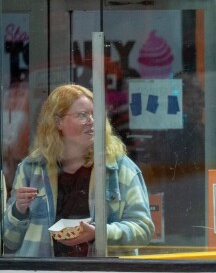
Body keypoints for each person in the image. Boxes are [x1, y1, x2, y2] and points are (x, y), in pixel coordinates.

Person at [3, 84, 154, 257]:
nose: (92, 121)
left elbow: (143, 230)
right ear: (57, 121)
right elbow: (9, 240)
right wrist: (18, 210)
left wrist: (99, 233)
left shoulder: (119, 168)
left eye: (95, 114)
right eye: (82, 115)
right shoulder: (31, 169)